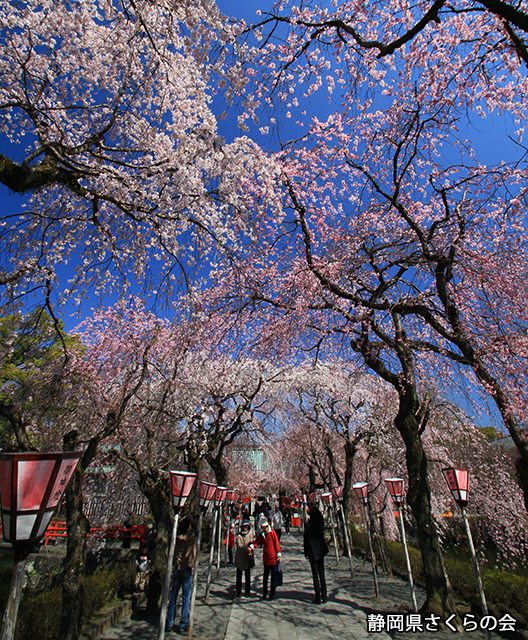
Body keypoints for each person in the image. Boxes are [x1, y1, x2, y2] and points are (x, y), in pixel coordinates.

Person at [166, 514, 197, 634]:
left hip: (177, 567)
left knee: (173, 595)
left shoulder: (175, 537)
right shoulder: (190, 537)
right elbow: (198, 527)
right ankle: (183, 624)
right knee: (186, 597)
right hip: (186, 568)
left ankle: (169, 622)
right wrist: (191, 519)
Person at [249, 518, 281, 600]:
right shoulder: (262, 535)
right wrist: (252, 546)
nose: (262, 528)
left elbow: (276, 544)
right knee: (265, 577)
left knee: (273, 577)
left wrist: (278, 554)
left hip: (272, 558)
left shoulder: (272, 533)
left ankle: (272, 594)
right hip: (266, 559)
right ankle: (264, 592)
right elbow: (257, 542)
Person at [304, 505, 329, 604]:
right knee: (322, 574)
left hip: (312, 552)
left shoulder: (308, 525)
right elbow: (321, 518)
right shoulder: (319, 524)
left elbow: (305, 540)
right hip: (320, 551)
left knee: (315, 575)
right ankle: (324, 596)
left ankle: (317, 597)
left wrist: (305, 552)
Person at [234, 519, 254, 597]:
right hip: (240, 558)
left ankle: (247, 592)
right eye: (244, 526)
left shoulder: (249, 534)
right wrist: (246, 548)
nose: (245, 528)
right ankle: (238, 591)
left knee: (247, 576)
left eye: (246, 526)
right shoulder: (239, 536)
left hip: (247, 558)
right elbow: (239, 546)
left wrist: (251, 548)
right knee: (239, 576)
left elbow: (252, 542)